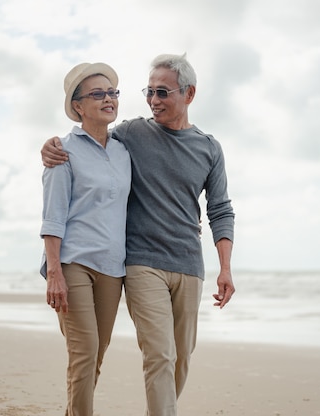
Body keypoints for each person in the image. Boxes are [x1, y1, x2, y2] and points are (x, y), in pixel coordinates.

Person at [42, 53, 235, 416]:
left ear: (189, 94)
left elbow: (220, 209)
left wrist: (225, 268)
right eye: (149, 92)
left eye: (162, 92)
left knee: (180, 359)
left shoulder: (207, 148)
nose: (153, 101)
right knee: (158, 354)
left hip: (187, 264)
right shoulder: (132, 133)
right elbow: (88, 140)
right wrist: (51, 146)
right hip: (140, 263)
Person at [40, 62, 131, 416]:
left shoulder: (125, 151)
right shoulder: (63, 151)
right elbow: (52, 216)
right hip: (73, 262)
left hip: (113, 267)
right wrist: (54, 272)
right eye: (98, 93)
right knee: (84, 350)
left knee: (96, 353)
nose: (108, 99)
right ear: (78, 105)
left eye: (112, 92)